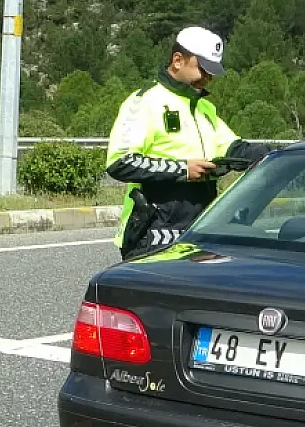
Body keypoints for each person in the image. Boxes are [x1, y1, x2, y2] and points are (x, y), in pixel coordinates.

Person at [106, 26, 276, 259]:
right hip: (152, 235)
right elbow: (120, 163)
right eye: (203, 69)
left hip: (199, 231)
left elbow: (234, 149)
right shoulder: (145, 101)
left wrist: (284, 153)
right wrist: (183, 169)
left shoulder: (204, 108)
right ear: (178, 60)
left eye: (212, 72)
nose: (208, 78)